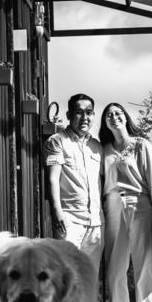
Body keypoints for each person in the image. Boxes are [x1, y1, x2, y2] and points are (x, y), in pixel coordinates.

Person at [99, 103, 152, 302]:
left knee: (145, 265)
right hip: (112, 207)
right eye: (109, 115)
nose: (114, 117)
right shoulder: (103, 149)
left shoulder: (141, 144)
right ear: (105, 122)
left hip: (140, 205)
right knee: (114, 269)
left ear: (125, 117)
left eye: (118, 113)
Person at [44, 93, 104, 263]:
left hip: (96, 222)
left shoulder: (97, 146)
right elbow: (53, 179)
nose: (85, 117)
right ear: (69, 115)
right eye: (79, 112)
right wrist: (57, 212)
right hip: (69, 221)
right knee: (66, 274)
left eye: (89, 112)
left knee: (90, 278)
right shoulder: (57, 141)